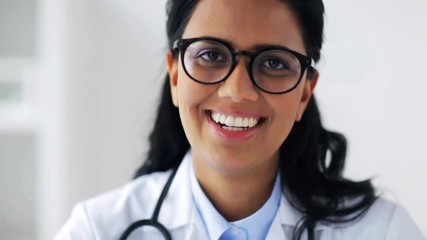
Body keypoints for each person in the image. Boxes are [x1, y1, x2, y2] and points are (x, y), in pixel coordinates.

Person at [55, 0, 425, 239]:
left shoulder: (381, 231)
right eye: (212, 55)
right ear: (175, 75)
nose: (238, 91)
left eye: (274, 63)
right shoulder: (98, 230)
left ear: (304, 93)